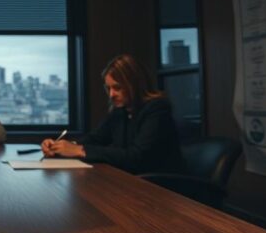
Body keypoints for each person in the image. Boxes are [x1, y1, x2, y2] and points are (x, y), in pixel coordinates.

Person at [42, 53, 182, 173]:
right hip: (131, 181)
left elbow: (137, 157)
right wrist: (60, 146)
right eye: (108, 88)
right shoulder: (120, 111)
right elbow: (95, 138)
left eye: (117, 88)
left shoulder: (157, 109)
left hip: (161, 188)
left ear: (134, 85)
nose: (111, 94)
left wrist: (79, 150)